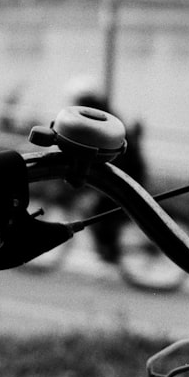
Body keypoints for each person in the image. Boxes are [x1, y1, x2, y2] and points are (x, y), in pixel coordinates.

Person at [65, 79, 148, 264]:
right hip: (125, 170)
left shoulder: (95, 119)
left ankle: (110, 250)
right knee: (101, 208)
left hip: (124, 173)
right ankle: (108, 248)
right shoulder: (104, 114)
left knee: (98, 209)